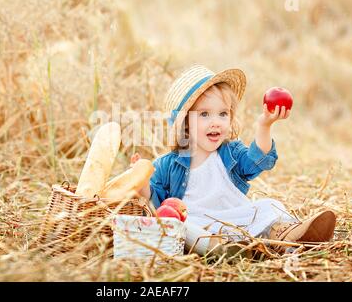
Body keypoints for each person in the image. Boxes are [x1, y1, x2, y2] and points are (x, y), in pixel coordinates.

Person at [131, 65, 336, 257]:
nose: (216, 122)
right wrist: (140, 182)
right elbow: (156, 202)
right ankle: (225, 250)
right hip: (202, 224)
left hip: (238, 217)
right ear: (185, 124)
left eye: (222, 114)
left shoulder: (231, 151)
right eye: (204, 114)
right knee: (180, 225)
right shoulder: (168, 164)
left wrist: (264, 127)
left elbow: (257, 161)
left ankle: (289, 237)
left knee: (270, 206)